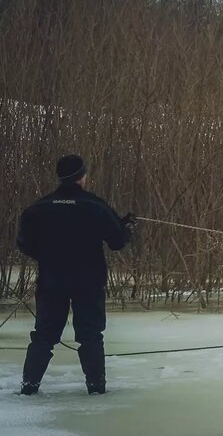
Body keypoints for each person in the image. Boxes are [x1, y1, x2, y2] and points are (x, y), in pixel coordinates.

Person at [15, 155, 135, 395]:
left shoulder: (39, 208)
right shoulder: (95, 205)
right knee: (90, 333)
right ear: (82, 177)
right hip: (88, 281)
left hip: (52, 280)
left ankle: (29, 387)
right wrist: (127, 227)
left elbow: (24, 244)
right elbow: (117, 241)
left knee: (44, 335)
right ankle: (96, 389)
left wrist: (48, 257)